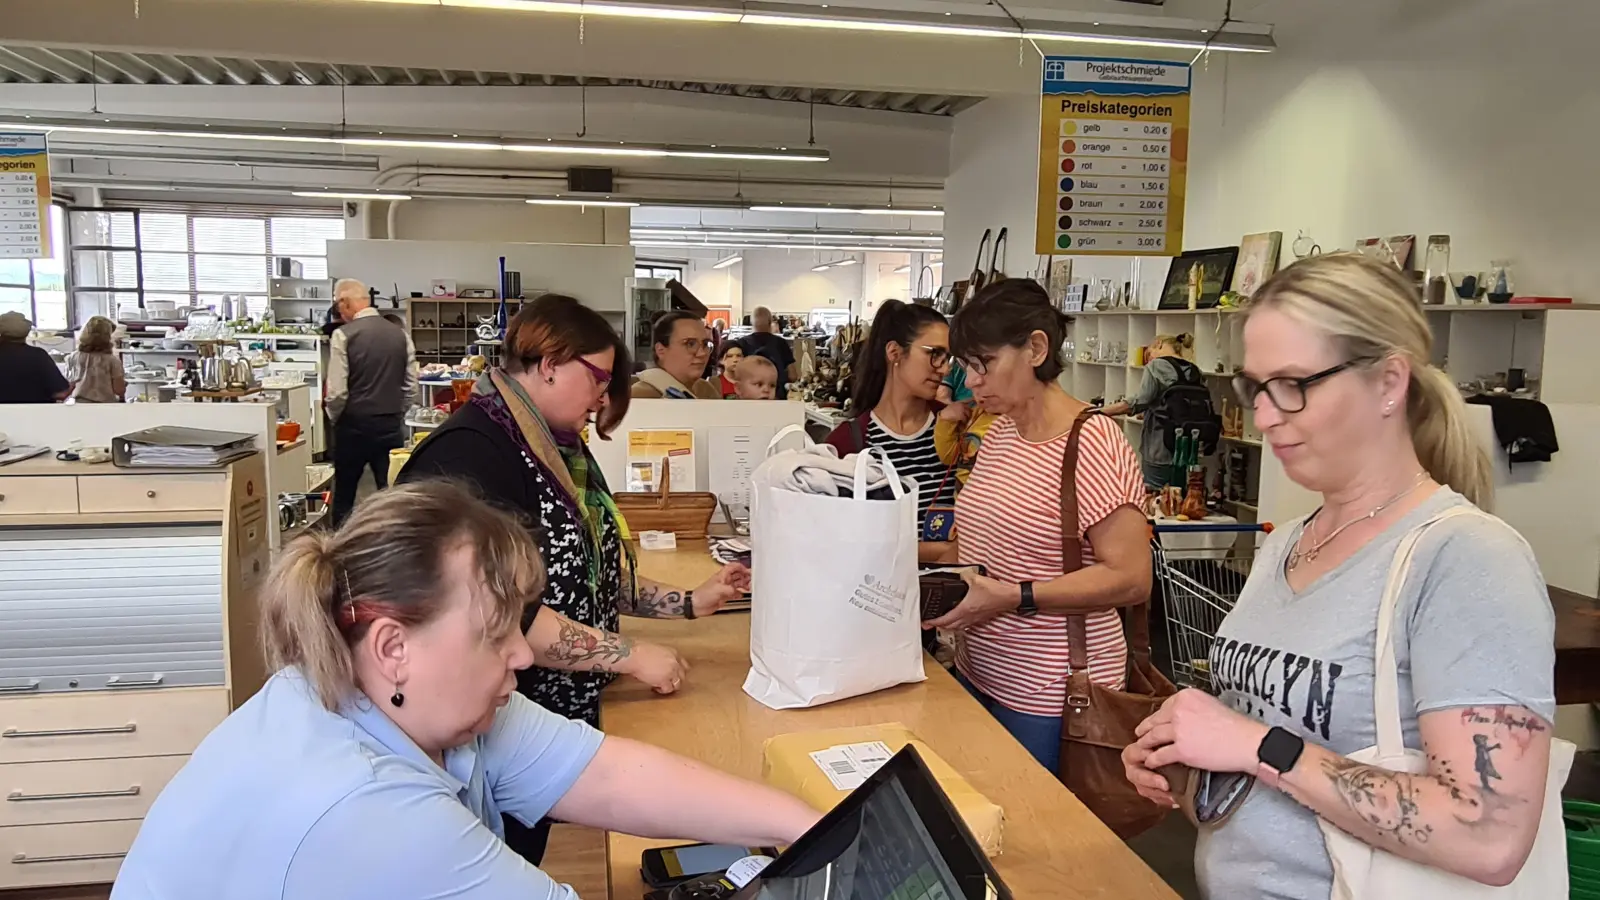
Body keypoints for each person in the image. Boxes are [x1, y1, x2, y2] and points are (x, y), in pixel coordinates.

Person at [109, 482, 818, 900]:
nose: (520, 653)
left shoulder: (396, 695)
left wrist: (808, 827)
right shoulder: (362, 809)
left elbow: (610, 774)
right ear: (394, 647)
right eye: (494, 633)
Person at [1121, 254, 1556, 896]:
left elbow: (1488, 837)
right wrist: (1189, 767)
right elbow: (1270, 784)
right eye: (1255, 388)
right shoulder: (1287, 546)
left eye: (1294, 383)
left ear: (1388, 382)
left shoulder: (1466, 559)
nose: (1266, 415)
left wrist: (1255, 744)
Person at [397, 294, 750, 865]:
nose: (606, 398)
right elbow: (506, 617)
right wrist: (629, 655)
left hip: (536, 729)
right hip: (488, 730)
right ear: (548, 363)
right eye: (598, 379)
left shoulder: (554, 447)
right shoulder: (471, 456)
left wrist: (688, 602)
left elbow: (587, 570)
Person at [926, 278, 1151, 772]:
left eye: (984, 364)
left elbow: (1132, 577)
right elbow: (972, 547)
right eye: (966, 367)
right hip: (978, 669)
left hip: (1052, 692)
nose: (974, 381)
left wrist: (1017, 596)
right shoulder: (1000, 434)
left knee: (1040, 836)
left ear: (1035, 348)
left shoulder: (1092, 443)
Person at [823, 300, 954, 552]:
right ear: (894, 352)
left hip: (957, 586)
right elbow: (836, 541)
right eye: (933, 354)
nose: (944, 368)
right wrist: (938, 552)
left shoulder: (954, 429)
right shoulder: (847, 444)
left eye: (947, 357)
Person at [326, 278, 419, 526]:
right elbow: (411, 386)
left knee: (344, 496)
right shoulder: (400, 335)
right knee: (391, 496)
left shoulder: (342, 336)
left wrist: (337, 419)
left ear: (345, 303)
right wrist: (396, 412)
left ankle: (338, 551)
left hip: (352, 426)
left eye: (338, 306)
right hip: (389, 425)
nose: (338, 313)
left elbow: (337, 393)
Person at [1101, 333, 1209, 490]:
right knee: (1180, 501)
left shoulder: (1157, 366)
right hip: (1187, 452)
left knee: (1156, 500)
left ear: (1158, 343)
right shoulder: (1195, 371)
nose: (1149, 359)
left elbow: (1139, 401)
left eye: (1149, 353)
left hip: (1159, 449)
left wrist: (1101, 411)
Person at [631, 311, 718, 399]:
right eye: (690, 344)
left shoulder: (706, 389)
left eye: (705, 344)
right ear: (660, 350)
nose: (702, 353)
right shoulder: (639, 396)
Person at [0, 311, 69, 403]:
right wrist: (75, 385)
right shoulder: (38, 356)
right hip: (37, 414)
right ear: (27, 332)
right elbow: (60, 394)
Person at [737, 306, 797, 399]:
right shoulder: (781, 343)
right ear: (770, 322)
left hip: (749, 399)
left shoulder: (741, 343)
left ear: (751, 322)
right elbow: (793, 375)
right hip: (777, 398)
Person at [65, 315, 126, 403]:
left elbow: (68, 386)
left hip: (79, 405)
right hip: (106, 406)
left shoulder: (72, 357)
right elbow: (119, 390)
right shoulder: (112, 361)